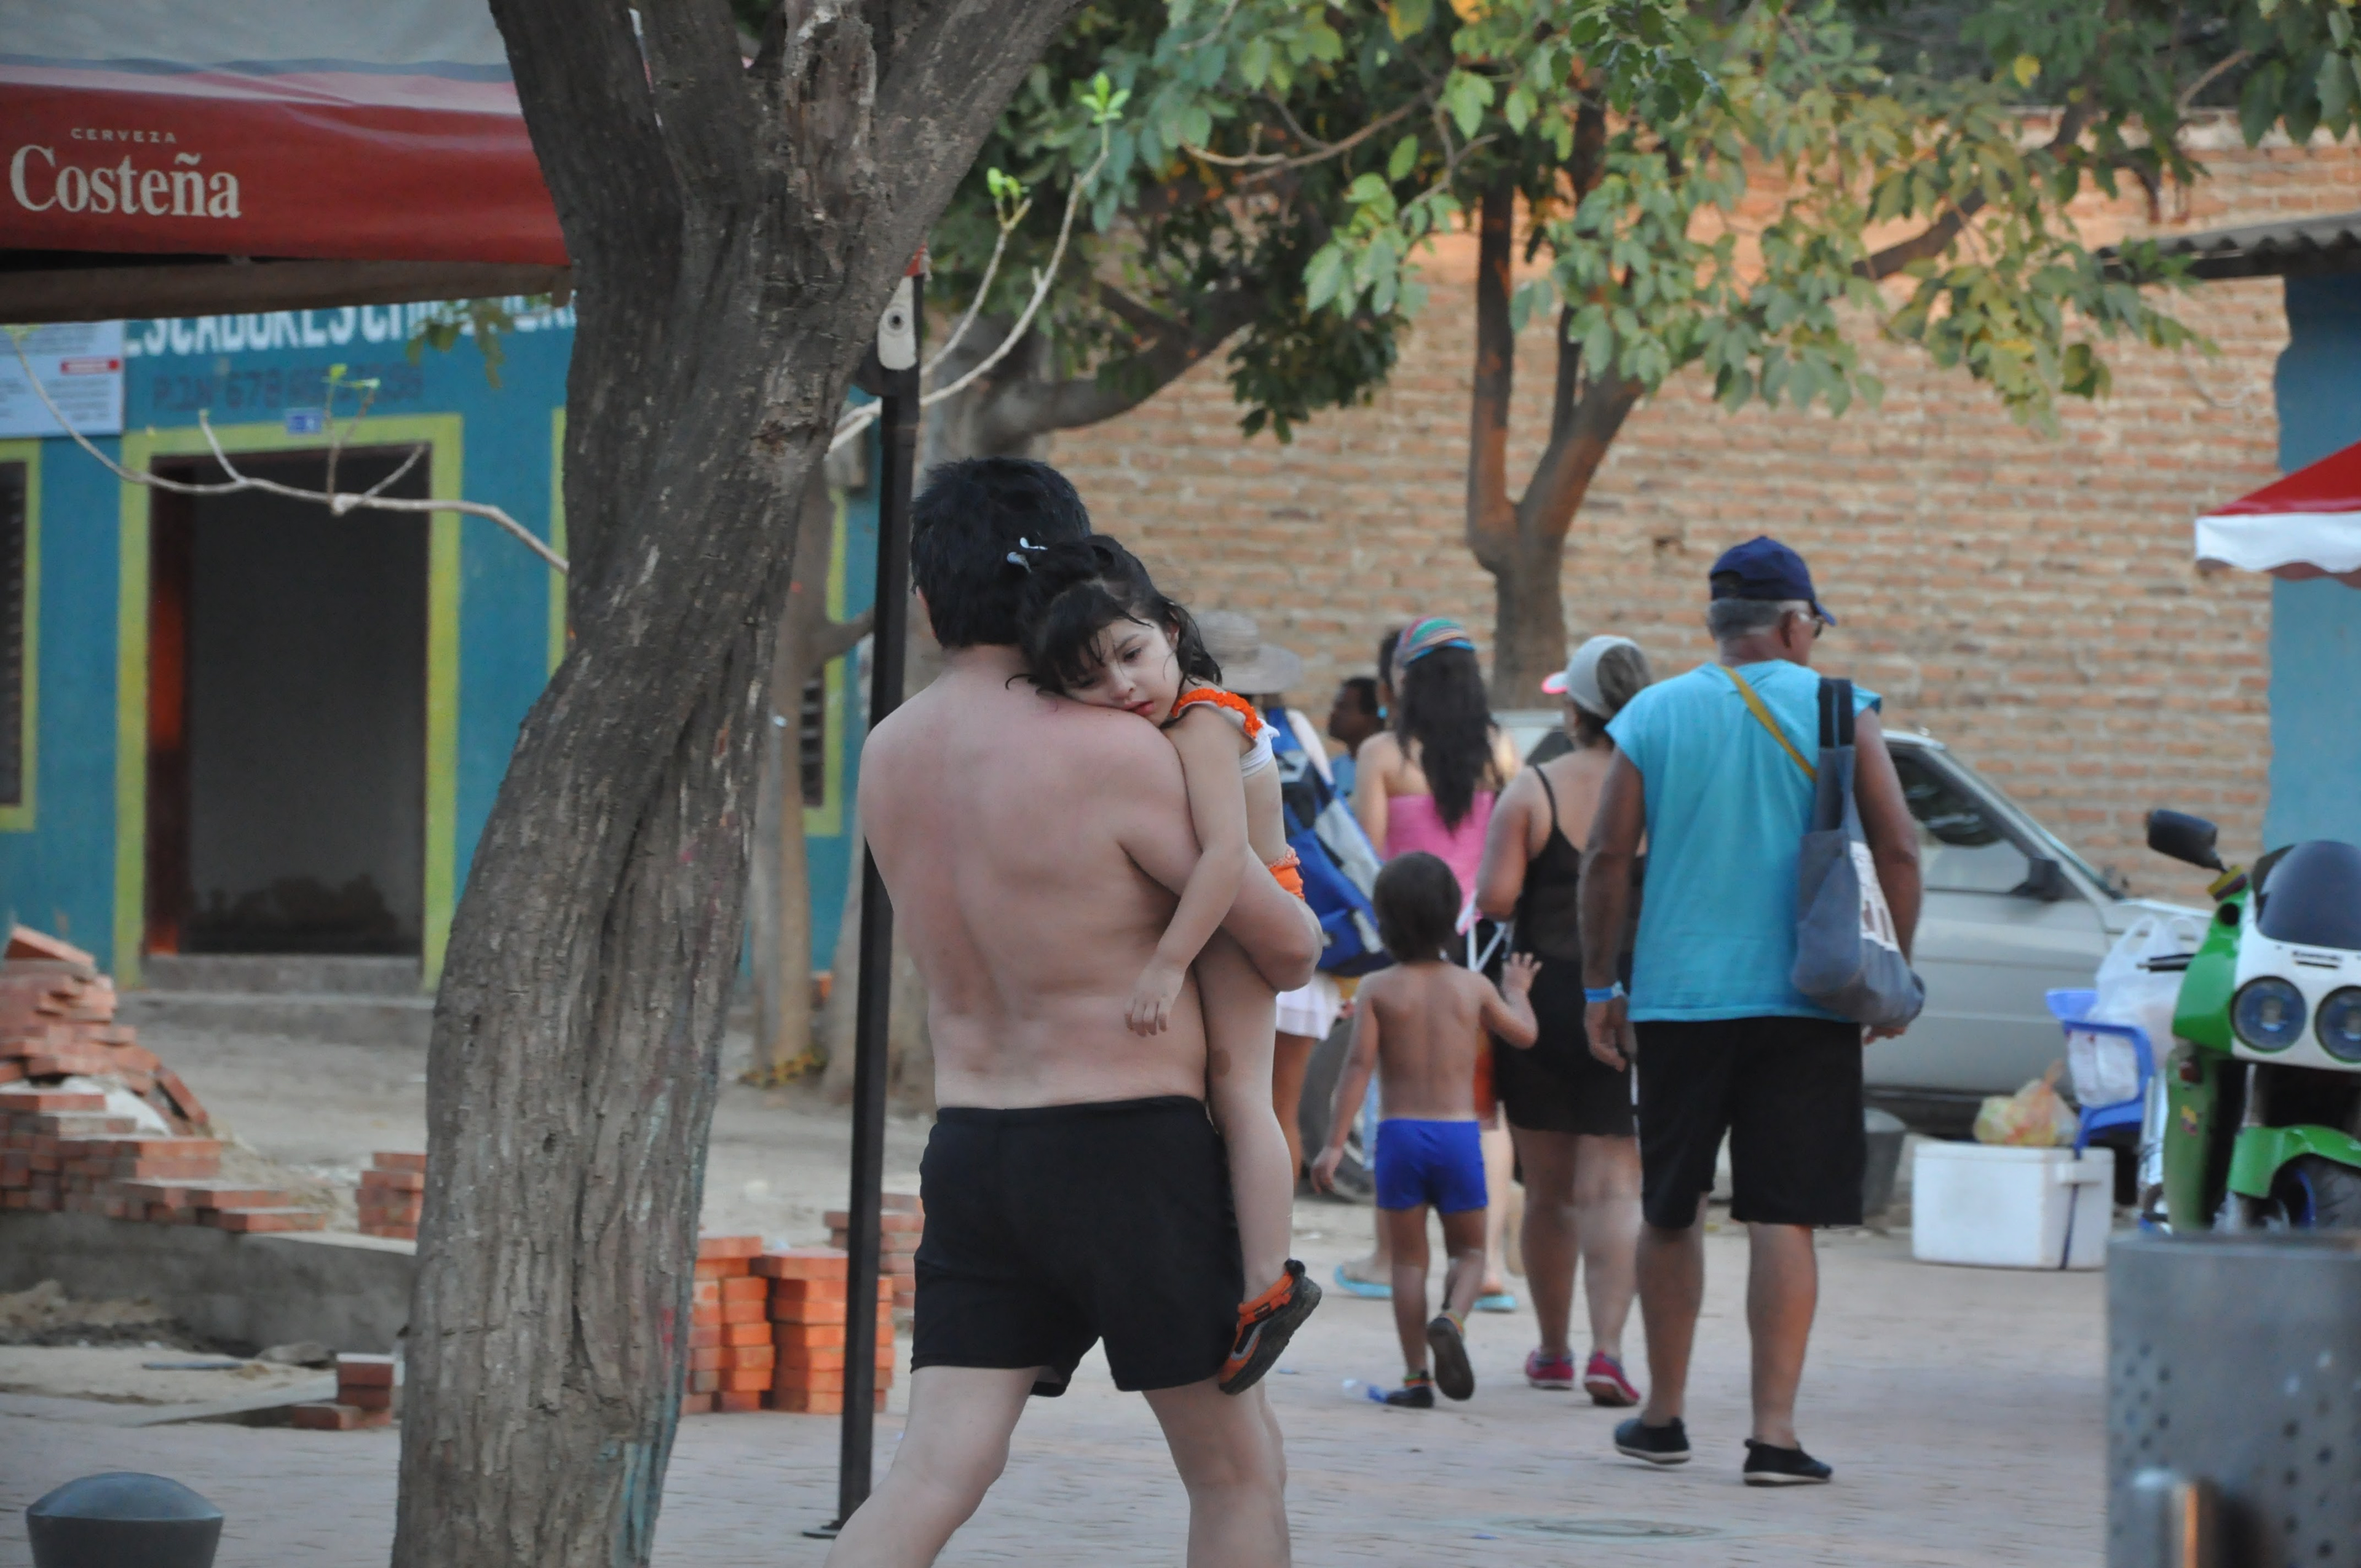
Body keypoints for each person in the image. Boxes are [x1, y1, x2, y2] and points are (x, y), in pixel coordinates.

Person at [828, 458, 1321, 1567]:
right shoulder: (1119, 750)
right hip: (1130, 1150)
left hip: (975, 1147)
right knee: (1237, 1472)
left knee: (935, 1471)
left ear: (927, 599)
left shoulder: (887, 752)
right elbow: (1288, 946)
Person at [1578, 536, 1921, 1489]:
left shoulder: (1653, 712)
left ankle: (1662, 1416)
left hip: (1679, 1002)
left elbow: (1607, 856)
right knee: (1784, 1216)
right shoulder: (1841, 709)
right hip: (1811, 997)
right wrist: (1892, 971)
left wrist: (1602, 985)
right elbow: (1898, 850)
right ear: (1795, 623)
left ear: (1718, 625)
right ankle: (1773, 1435)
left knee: (1671, 1207)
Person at [1010, 546, 1322, 1396]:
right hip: (1220, 911)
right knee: (1211, 1100)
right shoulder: (1168, 724)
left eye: (1132, 653)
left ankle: (1269, 1286)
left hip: (1246, 912)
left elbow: (1225, 856)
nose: (1122, 686)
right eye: (1089, 678)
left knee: (1241, 1095)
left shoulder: (1203, 720)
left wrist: (1165, 964)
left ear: (1173, 632)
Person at [1474, 635, 1651, 1407]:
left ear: (1574, 709)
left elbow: (1494, 898)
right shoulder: (1663, 789)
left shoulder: (1534, 788)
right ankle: (1609, 1352)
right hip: (1635, 999)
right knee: (1615, 1188)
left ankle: (1552, 1350)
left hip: (1540, 998)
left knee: (1548, 1192)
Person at [1340, 617, 1524, 1308]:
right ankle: (1490, 1262)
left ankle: (1392, 1258)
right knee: (1484, 1107)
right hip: (1478, 949)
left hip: (1408, 948)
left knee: (1398, 1097)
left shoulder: (1384, 754)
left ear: (1406, 681)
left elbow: (1367, 859)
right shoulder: (1501, 751)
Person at [1311, 852, 1539, 1407]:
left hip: (1400, 1139)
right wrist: (1518, 990)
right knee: (1471, 1254)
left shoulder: (1377, 988)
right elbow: (1524, 1036)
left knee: (1409, 1263)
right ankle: (1453, 1319)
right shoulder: (1473, 987)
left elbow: (1357, 1070)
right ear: (1450, 920)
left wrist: (1335, 1145)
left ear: (1385, 920)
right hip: (1459, 1138)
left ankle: (1417, 1377)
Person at [1325, 675, 1384, 801]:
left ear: (1371, 717)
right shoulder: (1332, 769)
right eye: (1336, 707)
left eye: (1344, 708)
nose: (1334, 713)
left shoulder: (1386, 767)